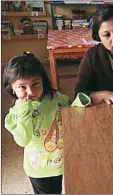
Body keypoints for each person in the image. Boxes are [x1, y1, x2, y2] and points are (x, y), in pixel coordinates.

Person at [4, 52, 91, 194]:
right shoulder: (15, 114)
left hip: (60, 161)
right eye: (22, 87)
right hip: (38, 168)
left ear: (43, 81)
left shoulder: (55, 97)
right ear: (12, 88)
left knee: (57, 190)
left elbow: (71, 110)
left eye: (35, 83)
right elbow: (23, 140)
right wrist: (24, 110)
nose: (31, 91)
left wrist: (82, 101)